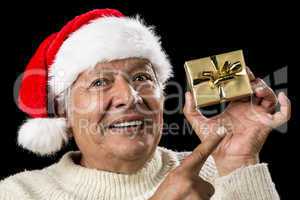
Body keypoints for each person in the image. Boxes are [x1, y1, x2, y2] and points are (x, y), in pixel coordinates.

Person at [0, 9, 290, 200]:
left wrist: (239, 163)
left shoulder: (219, 171)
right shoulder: (19, 193)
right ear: (64, 112)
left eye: (141, 77)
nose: (130, 97)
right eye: (100, 82)